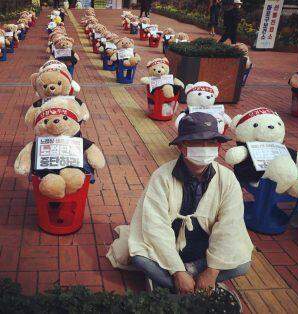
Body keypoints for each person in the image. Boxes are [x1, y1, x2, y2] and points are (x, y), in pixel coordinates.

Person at [107, 112, 253, 294]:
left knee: (242, 265)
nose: (205, 147)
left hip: (203, 246)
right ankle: (183, 278)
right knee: (140, 259)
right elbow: (155, 226)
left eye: (211, 142)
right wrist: (177, 270)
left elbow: (229, 226)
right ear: (181, 146)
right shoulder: (162, 177)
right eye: (196, 142)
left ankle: (187, 279)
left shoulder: (227, 179)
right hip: (169, 244)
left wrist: (212, 271)